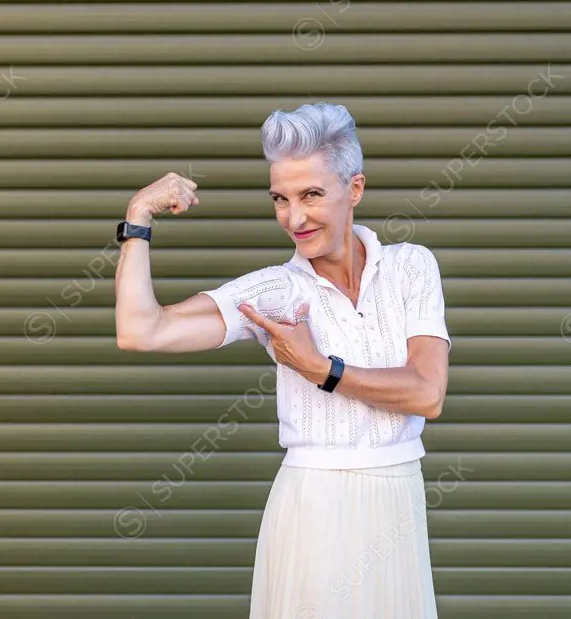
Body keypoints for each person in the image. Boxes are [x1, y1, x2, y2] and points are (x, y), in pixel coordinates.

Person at [114, 102, 450, 618]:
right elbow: (141, 330)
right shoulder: (274, 289)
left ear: (354, 189)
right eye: (280, 199)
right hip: (313, 507)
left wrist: (321, 368)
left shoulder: (411, 268)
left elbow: (427, 393)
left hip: (397, 502)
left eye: (311, 195)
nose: (294, 217)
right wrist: (137, 219)